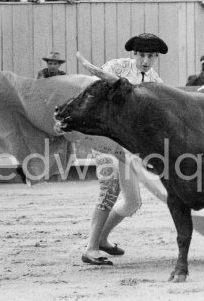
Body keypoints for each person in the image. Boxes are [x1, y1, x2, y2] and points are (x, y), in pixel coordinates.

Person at [78, 33, 168, 266]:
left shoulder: (155, 81)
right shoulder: (116, 66)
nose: (145, 61)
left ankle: (102, 239)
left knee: (132, 202)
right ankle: (90, 248)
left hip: (128, 146)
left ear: (156, 57)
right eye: (141, 55)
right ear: (134, 54)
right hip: (105, 138)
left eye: (150, 56)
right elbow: (96, 91)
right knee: (110, 189)